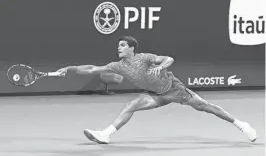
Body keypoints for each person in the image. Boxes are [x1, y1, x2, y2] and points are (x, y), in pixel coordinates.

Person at [56, 36, 257, 144]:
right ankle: (106, 134)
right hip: (156, 95)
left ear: (132, 48)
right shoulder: (118, 65)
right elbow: (92, 68)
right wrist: (70, 69)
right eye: (118, 45)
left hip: (174, 89)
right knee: (131, 105)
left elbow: (169, 58)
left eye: (123, 45)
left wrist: (161, 67)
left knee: (205, 106)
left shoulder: (144, 57)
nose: (119, 48)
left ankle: (241, 125)